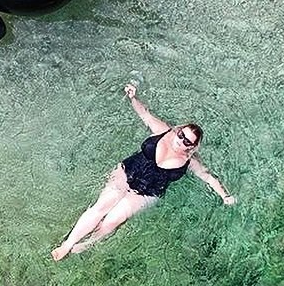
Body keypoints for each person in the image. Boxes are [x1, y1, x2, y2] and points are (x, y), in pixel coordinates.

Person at [51, 84, 235, 260]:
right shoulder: (163, 131)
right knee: (103, 205)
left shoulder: (190, 162)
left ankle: (90, 243)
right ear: (178, 130)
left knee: (114, 219)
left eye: (188, 142)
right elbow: (145, 115)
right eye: (182, 135)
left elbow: (209, 177)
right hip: (129, 171)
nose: (182, 141)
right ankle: (68, 244)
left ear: (193, 147)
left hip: (149, 190)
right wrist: (134, 97)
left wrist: (225, 196)